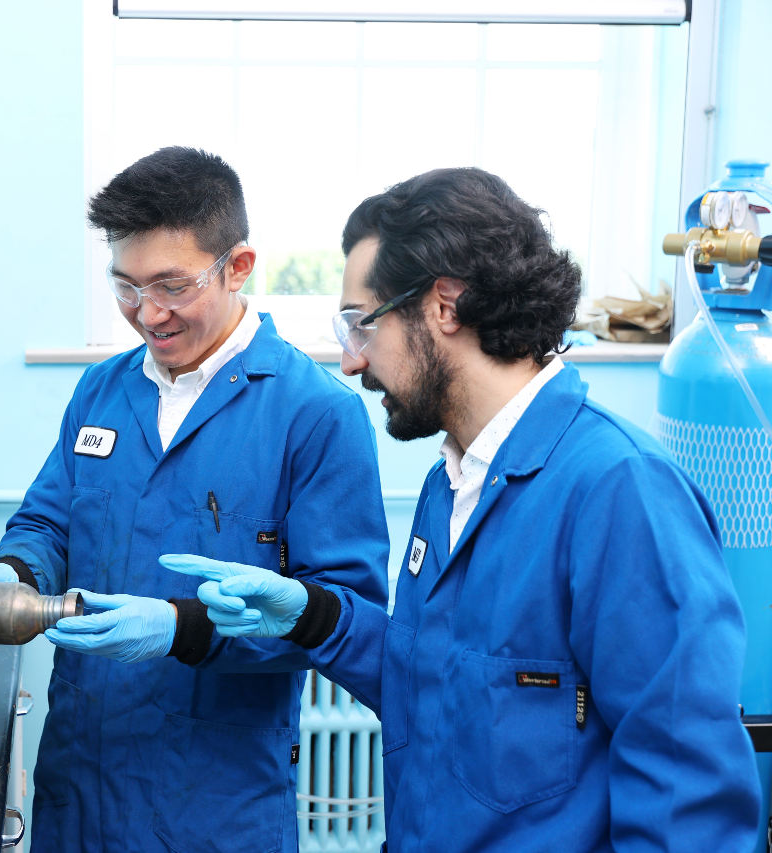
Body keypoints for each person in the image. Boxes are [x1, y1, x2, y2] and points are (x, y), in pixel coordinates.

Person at [165, 168, 762, 852]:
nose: (353, 364)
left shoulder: (619, 493)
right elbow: (442, 687)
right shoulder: (450, 485)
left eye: (362, 324)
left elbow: (688, 809)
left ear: (443, 305)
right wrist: (314, 616)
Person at [0, 146, 389, 853]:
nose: (147, 313)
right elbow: (48, 522)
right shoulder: (103, 389)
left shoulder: (315, 416)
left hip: (215, 807)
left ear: (239, 266)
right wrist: (13, 575)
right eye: (125, 286)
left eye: (172, 286)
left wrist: (182, 627)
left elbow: (341, 615)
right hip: (79, 791)